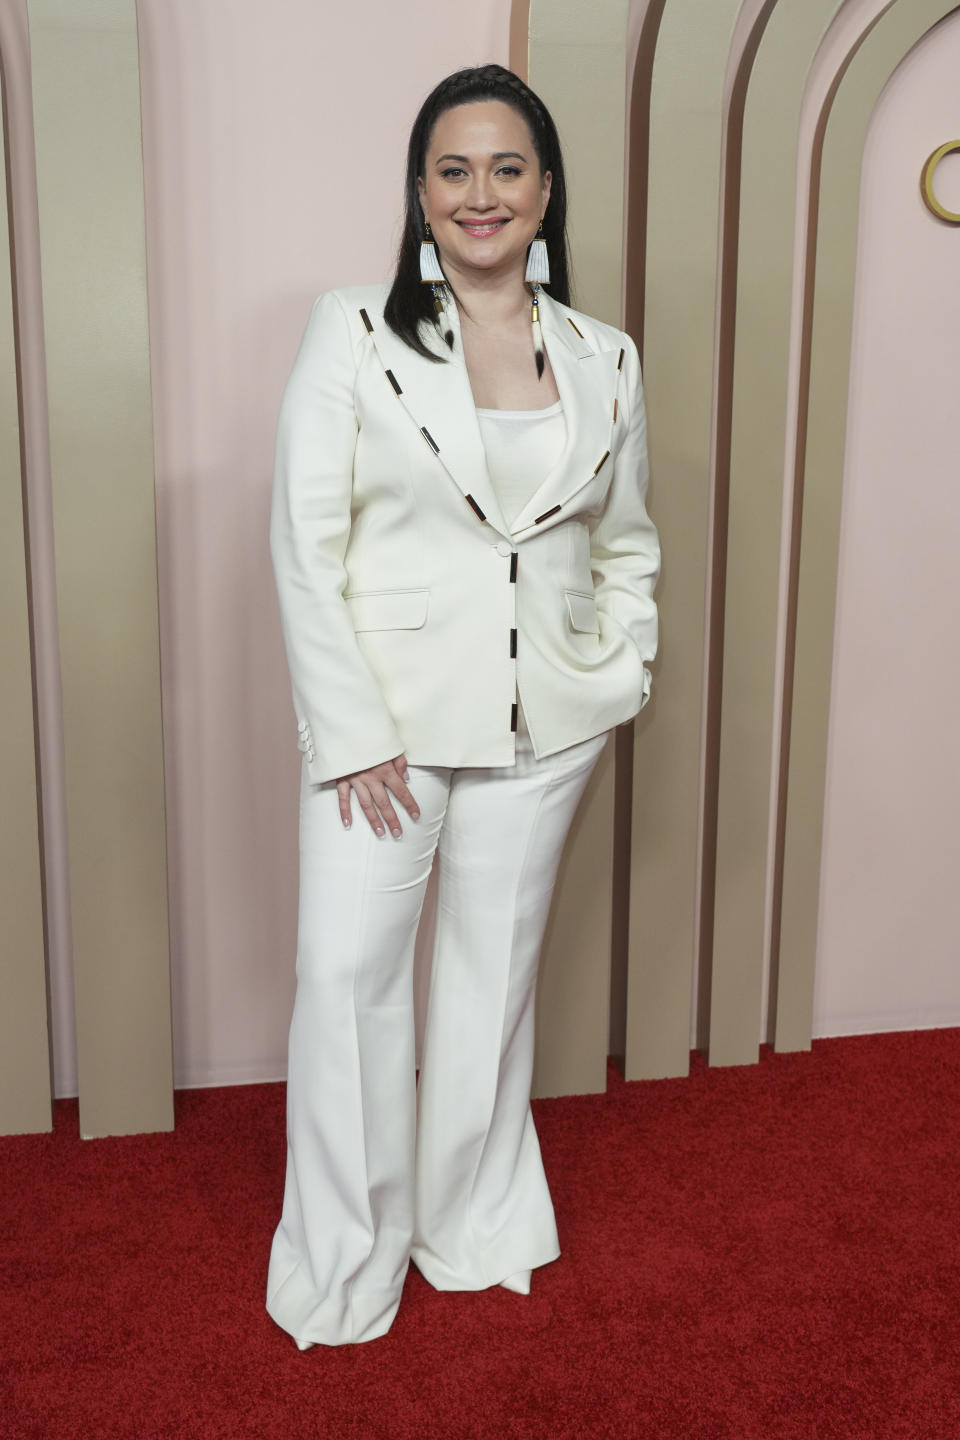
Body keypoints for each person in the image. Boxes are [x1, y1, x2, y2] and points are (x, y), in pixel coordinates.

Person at [266, 63, 659, 1349]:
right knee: (347, 980)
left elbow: (626, 540)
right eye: (452, 169)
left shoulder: (606, 357)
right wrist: (351, 728)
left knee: (489, 985)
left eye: (505, 168)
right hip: (385, 725)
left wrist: (622, 672)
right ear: (420, 195)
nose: (479, 193)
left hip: (548, 724)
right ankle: (346, 1258)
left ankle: (472, 1223)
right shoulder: (353, 330)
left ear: (546, 189)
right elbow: (304, 540)